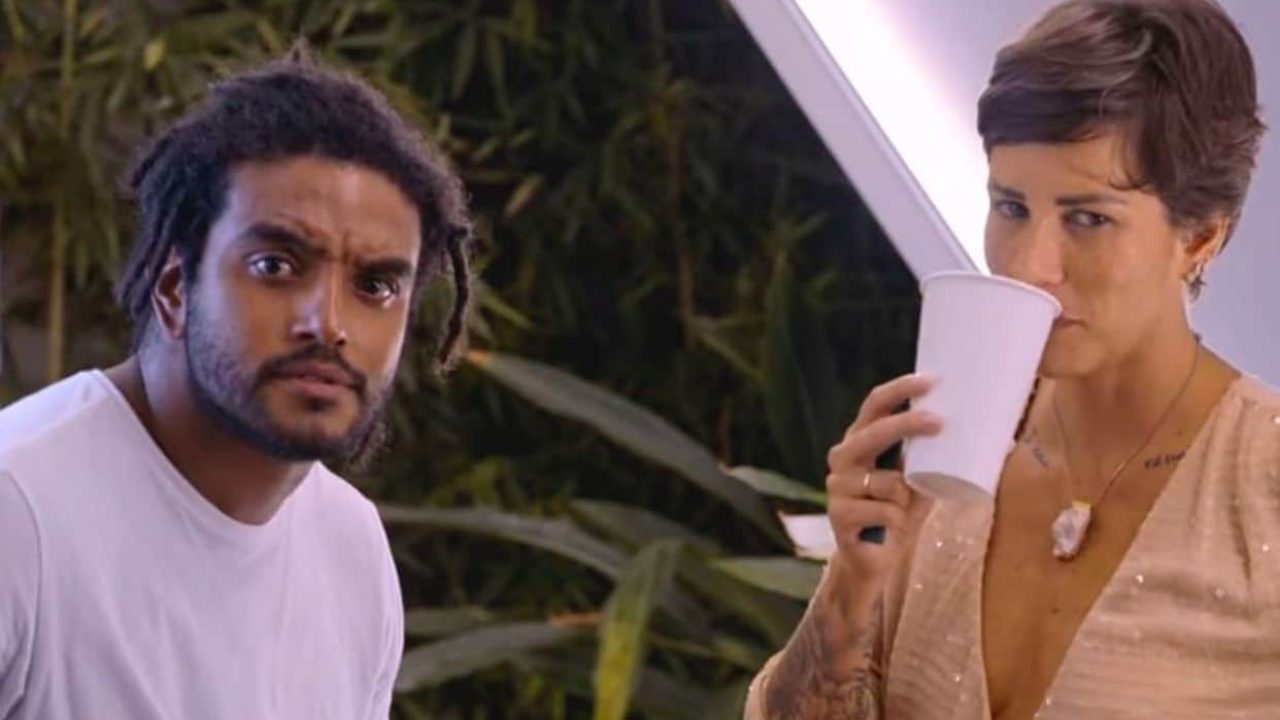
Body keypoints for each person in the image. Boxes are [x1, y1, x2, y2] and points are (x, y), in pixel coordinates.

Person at [745, 1, 1278, 718]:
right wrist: (849, 592)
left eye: (1088, 218)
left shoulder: (1263, 491)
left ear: (1201, 238)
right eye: (1012, 208)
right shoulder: (944, 451)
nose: (1030, 265)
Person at [0, 45, 474, 719]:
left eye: (375, 286)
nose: (328, 324)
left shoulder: (352, 550)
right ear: (174, 289)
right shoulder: (20, 514)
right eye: (275, 265)